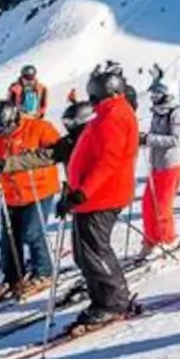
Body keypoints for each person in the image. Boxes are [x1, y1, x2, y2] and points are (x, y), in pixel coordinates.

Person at [61, 61, 141, 329]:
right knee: (84, 253)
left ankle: (112, 302)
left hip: (101, 196)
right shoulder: (111, 112)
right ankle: (103, 300)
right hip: (94, 196)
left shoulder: (114, 116)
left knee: (94, 250)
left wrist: (83, 192)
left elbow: (109, 160)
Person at [0, 100, 62, 301]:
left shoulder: (39, 128)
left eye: (3, 129)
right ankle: (13, 276)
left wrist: (28, 160)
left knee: (32, 232)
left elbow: (56, 152)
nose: (1, 134)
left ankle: (43, 272)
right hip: (11, 193)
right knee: (8, 238)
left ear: (14, 119)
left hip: (39, 189)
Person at [139, 78, 180, 260]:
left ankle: (167, 239)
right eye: (153, 94)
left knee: (161, 205)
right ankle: (150, 240)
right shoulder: (158, 113)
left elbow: (176, 139)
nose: (154, 98)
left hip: (172, 165)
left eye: (158, 94)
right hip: (157, 165)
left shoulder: (178, 113)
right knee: (148, 203)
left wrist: (149, 139)